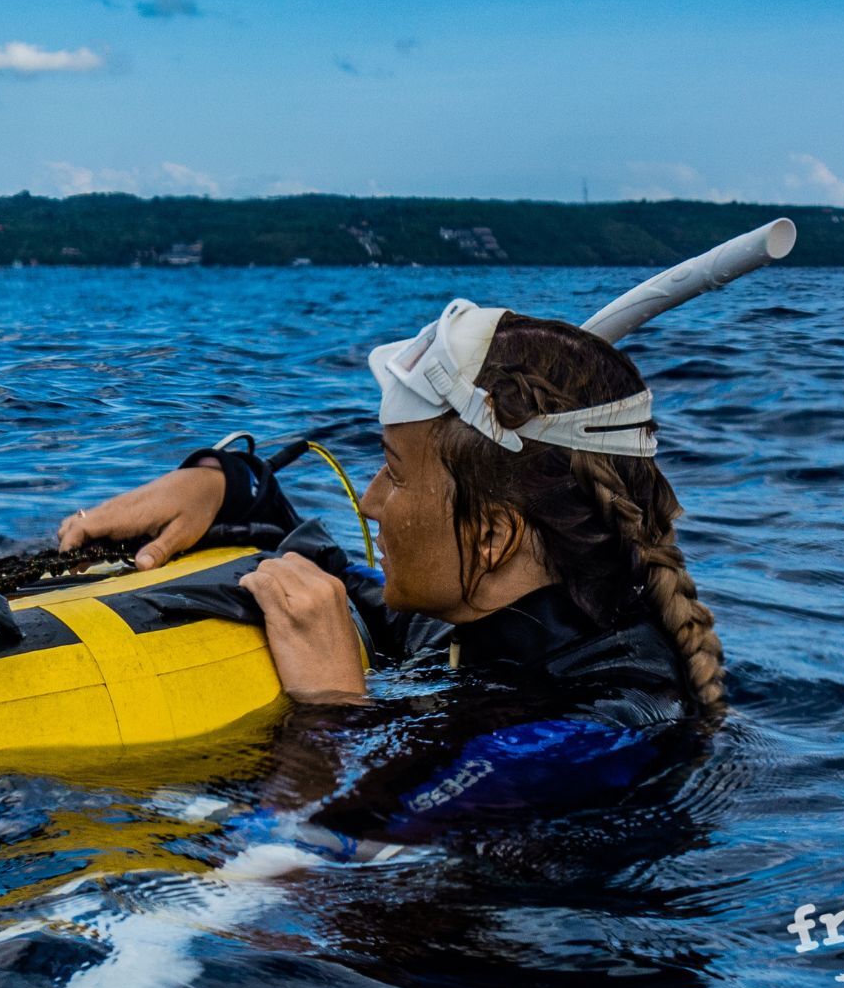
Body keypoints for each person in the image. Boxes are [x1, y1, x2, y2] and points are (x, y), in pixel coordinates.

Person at [59, 299, 725, 842]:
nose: (372, 500)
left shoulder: (587, 738)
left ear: (492, 535)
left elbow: (305, 878)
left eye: (395, 471)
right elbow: (339, 575)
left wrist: (332, 712)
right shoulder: (486, 623)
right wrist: (226, 485)